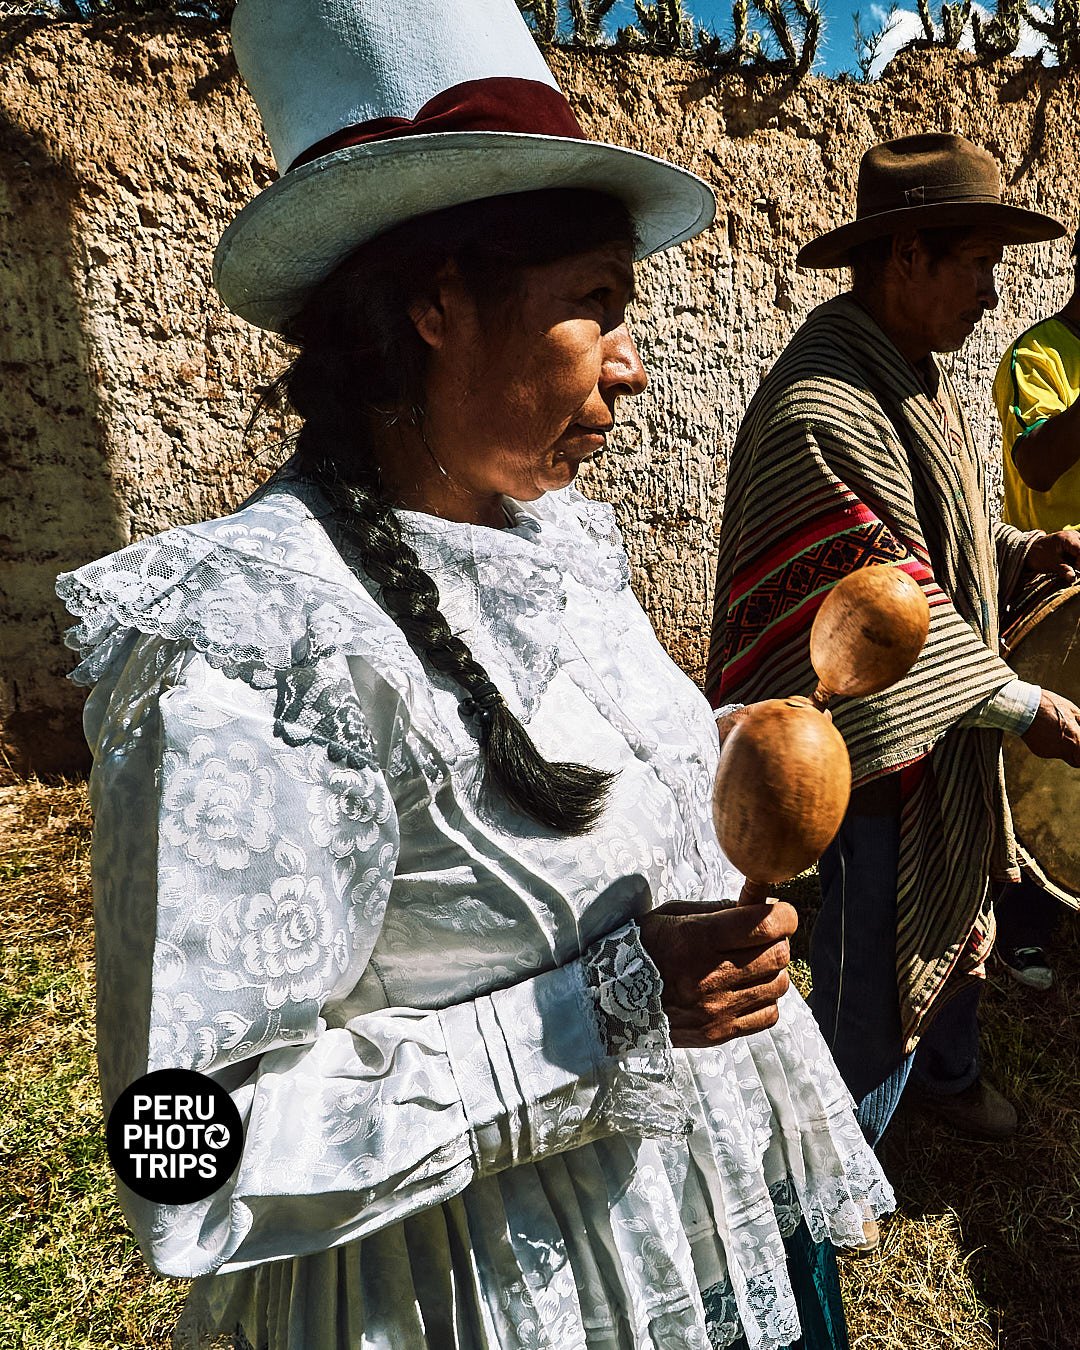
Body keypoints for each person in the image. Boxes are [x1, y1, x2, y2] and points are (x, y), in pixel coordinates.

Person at [56, 1, 893, 1347]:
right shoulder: (249, 642)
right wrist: (610, 1007)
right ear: (437, 304)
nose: (632, 360)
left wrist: (725, 756)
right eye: (593, 308)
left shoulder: (551, 538)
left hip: (707, 1232)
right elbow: (180, 1156)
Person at [706, 134, 1080, 1148]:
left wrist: (1027, 545)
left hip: (937, 731)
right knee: (874, 946)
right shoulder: (824, 403)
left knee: (958, 910)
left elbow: (941, 536)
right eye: (978, 266)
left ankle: (948, 1077)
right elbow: (880, 597)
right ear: (908, 256)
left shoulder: (909, 376)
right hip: (872, 750)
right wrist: (1026, 704)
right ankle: (836, 1150)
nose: (993, 295)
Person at [990, 226, 1080, 989]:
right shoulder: (1039, 355)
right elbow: (1039, 459)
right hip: (1057, 593)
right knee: (1045, 765)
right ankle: (1025, 923)